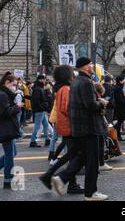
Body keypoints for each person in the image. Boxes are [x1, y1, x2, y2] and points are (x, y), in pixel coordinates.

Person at [51, 57, 109, 201]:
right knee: (92, 161)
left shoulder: (76, 81)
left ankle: (62, 179)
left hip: (79, 126)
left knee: (83, 157)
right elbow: (90, 105)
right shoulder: (86, 82)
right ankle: (90, 193)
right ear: (84, 66)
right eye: (90, 64)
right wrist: (101, 103)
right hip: (89, 127)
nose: (92, 66)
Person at [39, 65, 84, 194]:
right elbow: (67, 108)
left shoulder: (60, 88)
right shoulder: (66, 89)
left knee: (71, 154)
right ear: (67, 76)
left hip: (64, 125)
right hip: (70, 126)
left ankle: (52, 176)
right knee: (78, 155)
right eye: (72, 74)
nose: (74, 76)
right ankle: (66, 182)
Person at [30, 74, 51, 148]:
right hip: (39, 110)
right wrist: (43, 107)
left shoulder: (38, 88)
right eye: (44, 79)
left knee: (45, 125)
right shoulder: (38, 89)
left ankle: (47, 139)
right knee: (37, 126)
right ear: (40, 80)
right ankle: (33, 141)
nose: (45, 80)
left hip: (41, 110)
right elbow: (37, 101)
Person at [113, 77, 125, 141]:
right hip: (119, 109)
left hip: (116, 108)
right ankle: (118, 136)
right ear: (120, 81)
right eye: (123, 80)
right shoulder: (119, 88)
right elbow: (121, 100)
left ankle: (117, 136)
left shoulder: (115, 87)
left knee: (117, 123)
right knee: (118, 123)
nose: (124, 81)